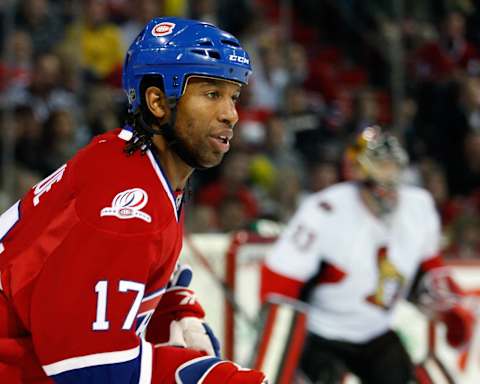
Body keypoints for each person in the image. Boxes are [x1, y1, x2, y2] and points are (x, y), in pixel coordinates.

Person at [0, 17, 267, 383]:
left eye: (233, 96)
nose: (230, 114)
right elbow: (86, 367)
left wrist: (176, 308)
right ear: (157, 101)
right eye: (211, 94)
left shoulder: (133, 162)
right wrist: (206, 377)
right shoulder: (127, 206)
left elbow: (132, 265)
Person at [260, 126, 475, 384]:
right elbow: (280, 281)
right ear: (357, 174)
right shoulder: (324, 211)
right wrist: (280, 345)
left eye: (393, 174)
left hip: (376, 330)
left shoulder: (418, 206)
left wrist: (449, 309)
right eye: (379, 177)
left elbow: (427, 270)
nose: (389, 189)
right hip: (322, 333)